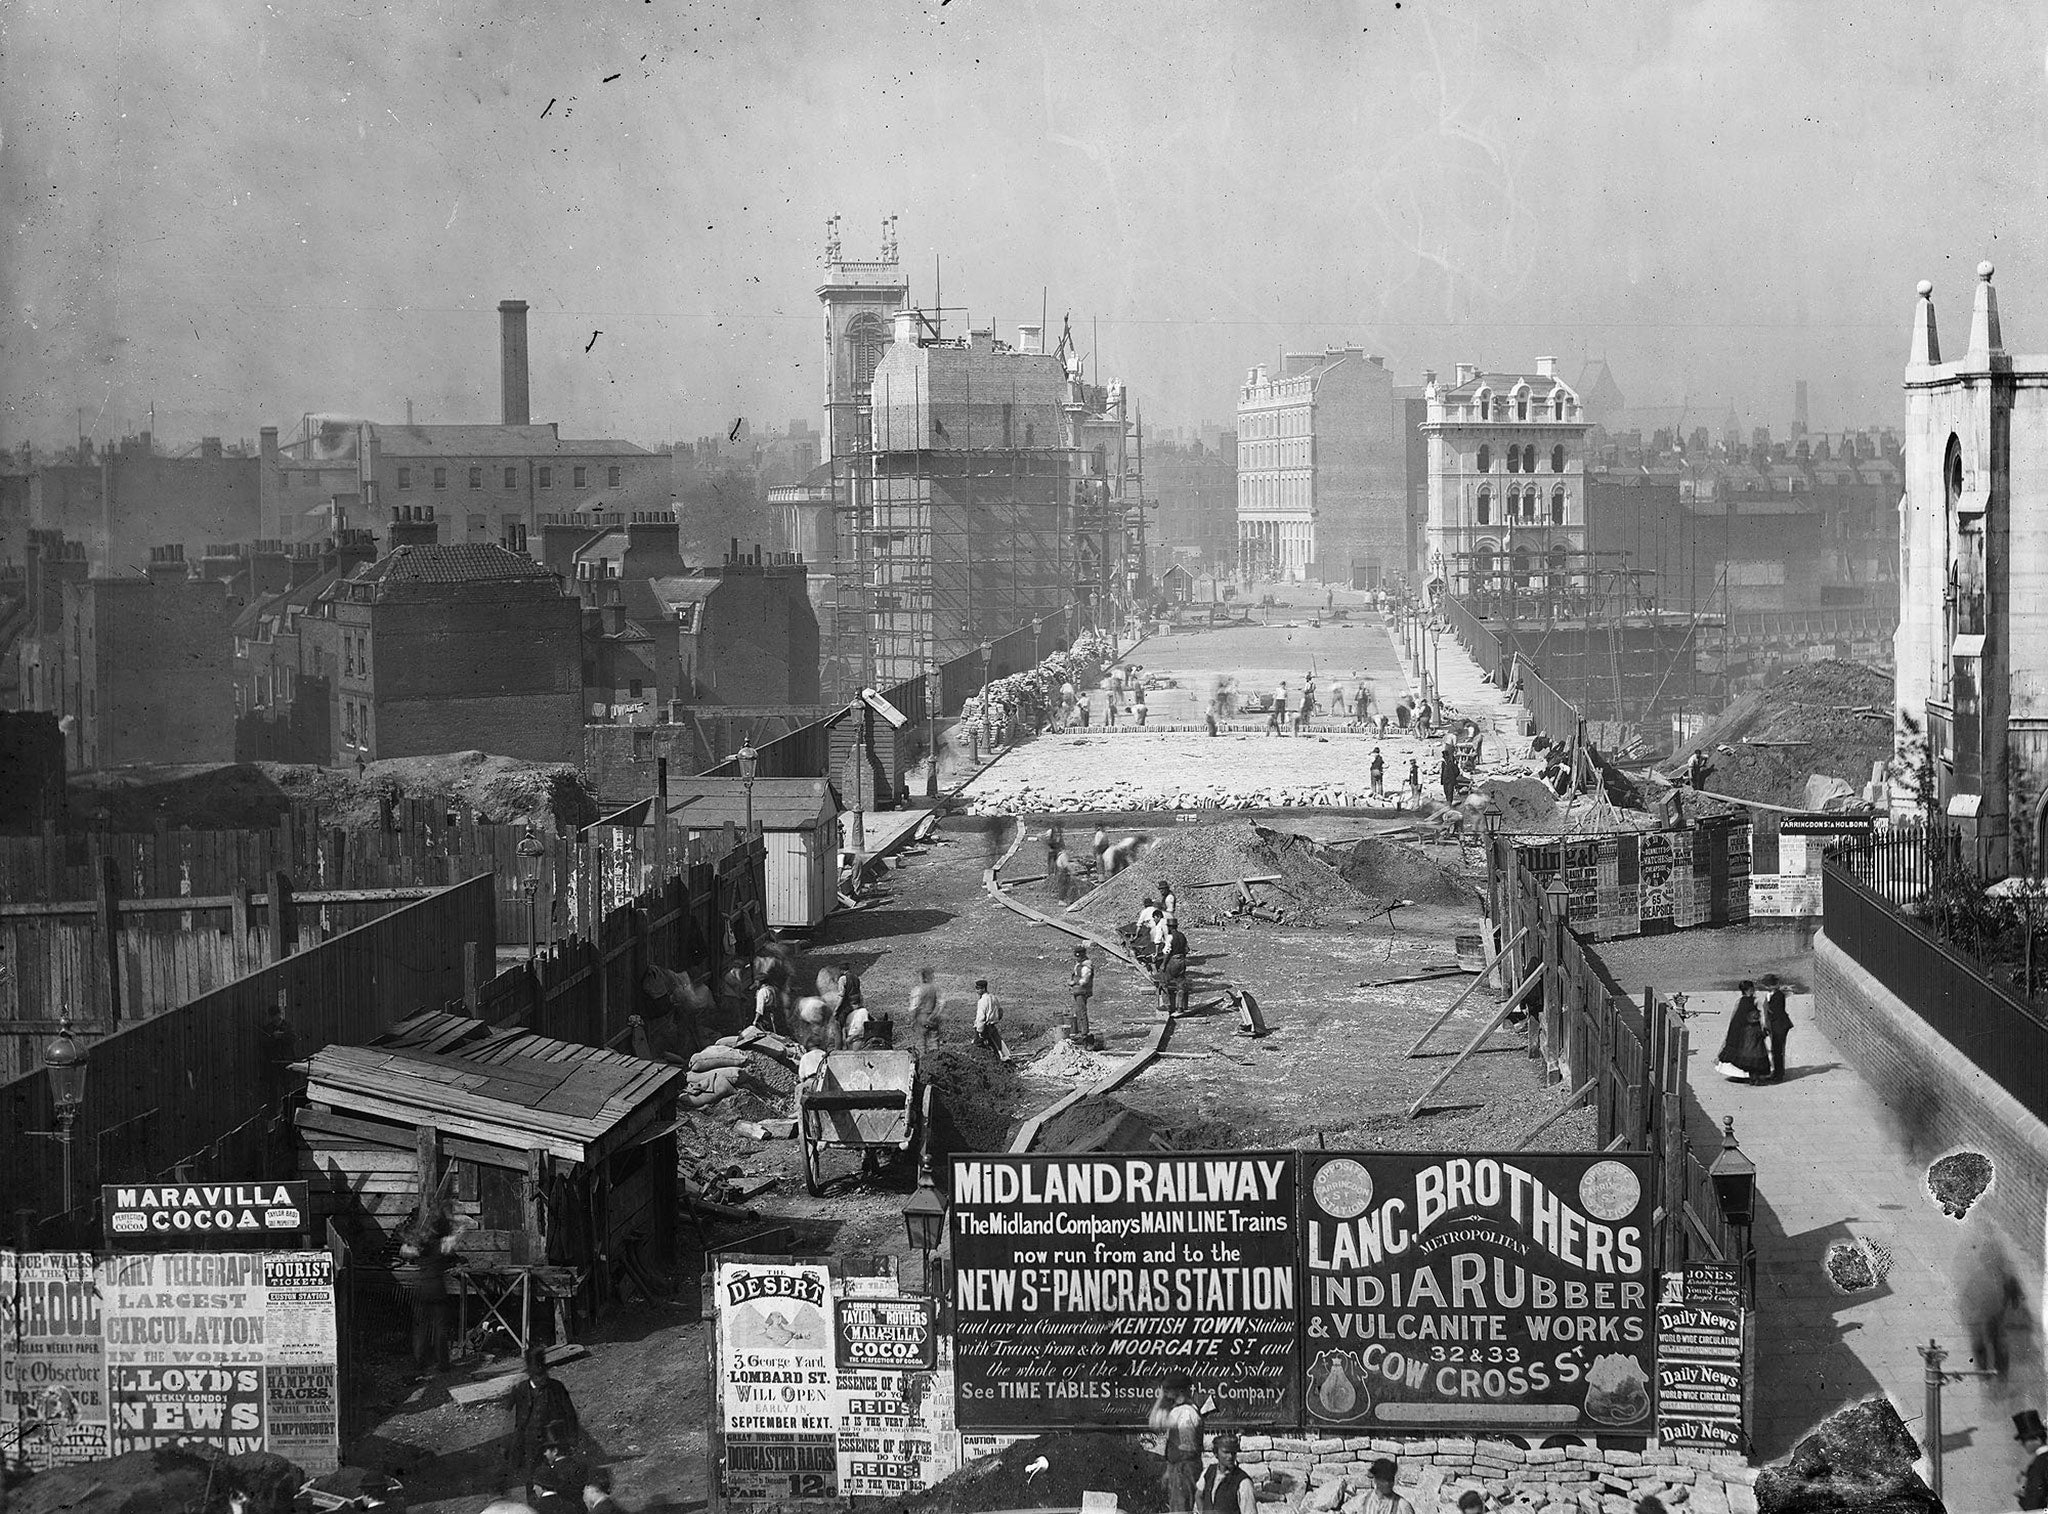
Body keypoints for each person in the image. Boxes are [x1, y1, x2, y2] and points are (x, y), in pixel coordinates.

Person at [507, 1348, 581, 1502]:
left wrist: (572, 1438)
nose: (543, 1379)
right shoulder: (521, 1389)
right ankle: (535, 1505)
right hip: (530, 1442)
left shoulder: (556, 1387)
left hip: (553, 1440)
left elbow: (570, 1414)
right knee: (532, 1475)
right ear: (531, 1375)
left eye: (544, 1374)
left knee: (558, 1473)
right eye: (538, 1376)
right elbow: (508, 1408)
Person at [395, 1208, 458, 1378]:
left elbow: (403, 1251)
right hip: (437, 1288)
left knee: (420, 1327)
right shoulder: (441, 1245)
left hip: (421, 1288)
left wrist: (415, 1239)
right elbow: (452, 1244)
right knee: (440, 1328)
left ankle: (419, 1363)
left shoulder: (418, 1247)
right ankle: (443, 1364)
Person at [1149, 1375, 1205, 1512]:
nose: (1166, 1392)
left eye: (1168, 1388)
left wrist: (1176, 1469)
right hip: (1179, 1467)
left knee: (1182, 1509)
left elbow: (1187, 1448)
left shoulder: (1186, 1412)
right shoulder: (1178, 1410)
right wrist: (1170, 1469)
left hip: (1185, 1469)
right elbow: (1154, 1423)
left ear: (1179, 1390)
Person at [1716, 981, 1772, 1082]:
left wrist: (1763, 1026)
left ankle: (1753, 1076)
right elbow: (1736, 1016)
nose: (1752, 991)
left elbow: (1761, 1015)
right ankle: (1751, 1076)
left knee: (1753, 1053)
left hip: (1750, 1031)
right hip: (1748, 1032)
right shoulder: (1747, 1001)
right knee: (1752, 1053)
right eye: (1751, 989)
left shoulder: (1748, 1001)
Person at [1199, 1433, 1257, 1514]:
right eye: (1226, 1452)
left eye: (1233, 1453)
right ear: (1216, 1453)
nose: (1230, 1456)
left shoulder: (1244, 1483)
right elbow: (1198, 1495)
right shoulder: (1208, 1472)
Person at [1762, 973, 1793, 1082]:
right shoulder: (1772, 994)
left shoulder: (1778, 996)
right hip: (1775, 1026)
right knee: (1776, 1050)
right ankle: (1777, 1071)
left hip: (1779, 1026)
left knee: (1778, 1050)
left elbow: (1775, 1012)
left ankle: (1778, 1075)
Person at [2016, 1408, 2048, 1509]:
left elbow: (2034, 1503)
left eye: (2025, 1440)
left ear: (2038, 1440)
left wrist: (2022, 1494)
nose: (2022, 1444)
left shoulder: (2039, 1464)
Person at [973, 979, 1011, 1062]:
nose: (976, 991)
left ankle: (985, 1062)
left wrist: (980, 1031)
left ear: (983, 989)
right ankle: (1003, 1057)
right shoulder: (994, 998)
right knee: (996, 1043)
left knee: (977, 1046)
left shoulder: (982, 1001)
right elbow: (1000, 1012)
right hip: (992, 1025)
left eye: (978, 988)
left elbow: (980, 1018)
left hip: (984, 1027)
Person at [907, 967, 942, 1054]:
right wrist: (935, 1015)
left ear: (923, 977)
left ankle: (922, 1062)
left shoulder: (918, 989)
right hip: (933, 1018)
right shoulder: (935, 988)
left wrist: (912, 1020)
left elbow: (913, 1007)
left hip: (921, 1017)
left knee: (920, 1043)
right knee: (934, 1042)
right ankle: (936, 1061)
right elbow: (941, 1003)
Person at [1069, 944, 1096, 1044]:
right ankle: (1081, 1031)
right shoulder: (1078, 965)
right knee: (1078, 1011)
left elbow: (1085, 980)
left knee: (1082, 1012)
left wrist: (1074, 982)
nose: (1077, 958)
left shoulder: (1086, 966)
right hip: (1077, 990)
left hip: (1082, 990)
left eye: (1079, 956)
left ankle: (1085, 1033)